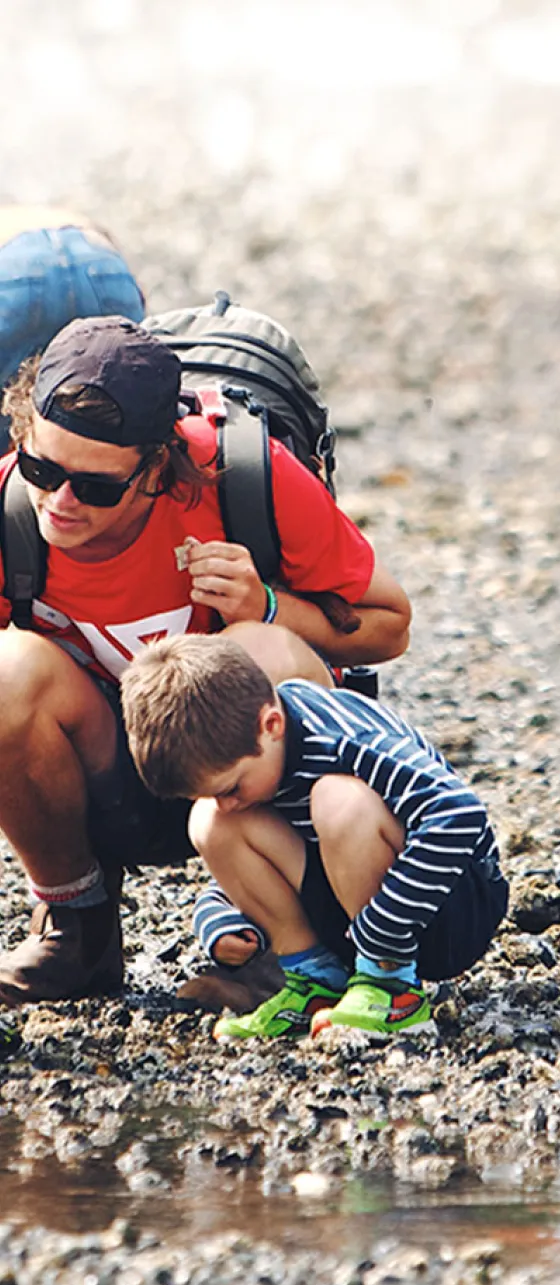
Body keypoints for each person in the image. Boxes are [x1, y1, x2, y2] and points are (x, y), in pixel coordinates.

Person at [0, 315, 411, 1007]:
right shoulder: (12, 510)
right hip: (110, 776)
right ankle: (77, 930)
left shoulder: (247, 481)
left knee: (260, 647)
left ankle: (296, 942)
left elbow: (389, 626)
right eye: (43, 468)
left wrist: (270, 604)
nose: (59, 502)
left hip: (249, 772)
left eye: (96, 487)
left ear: (158, 467)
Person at [120, 633, 508, 1041]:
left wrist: (381, 929)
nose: (229, 802)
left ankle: (392, 990)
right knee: (208, 820)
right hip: (357, 919)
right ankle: (316, 984)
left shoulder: (340, 738)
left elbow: (458, 814)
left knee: (337, 800)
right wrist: (219, 916)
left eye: (231, 787)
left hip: (451, 903)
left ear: (271, 725)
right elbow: (275, 849)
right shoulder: (258, 758)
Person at [0, 206, 145, 448]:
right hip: (101, 264)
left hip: (13, 274)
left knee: (12, 415)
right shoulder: (71, 219)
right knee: (116, 400)